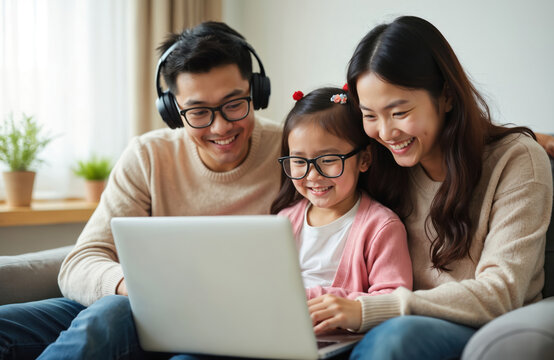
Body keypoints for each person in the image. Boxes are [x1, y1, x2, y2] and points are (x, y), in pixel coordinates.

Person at [0, 21, 282, 359]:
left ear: (257, 92)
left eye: (235, 104)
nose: (220, 126)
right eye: (198, 112)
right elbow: (80, 262)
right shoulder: (148, 155)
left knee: (110, 313)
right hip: (134, 307)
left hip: (229, 323)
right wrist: (134, 287)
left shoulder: (293, 152)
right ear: (173, 111)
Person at [340, 15, 553, 360]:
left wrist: (371, 309)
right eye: (370, 115)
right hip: (393, 323)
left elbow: (501, 292)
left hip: (478, 328)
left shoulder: (516, 160)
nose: (385, 132)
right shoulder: (381, 161)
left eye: (399, 112)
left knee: (396, 338)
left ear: (447, 97)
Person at [270, 87, 412, 333]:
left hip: (339, 340)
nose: (312, 175)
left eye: (328, 160)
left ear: (364, 159)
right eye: (299, 162)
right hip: (281, 332)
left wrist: (318, 297)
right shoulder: (285, 220)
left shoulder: (381, 226)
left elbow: (391, 300)